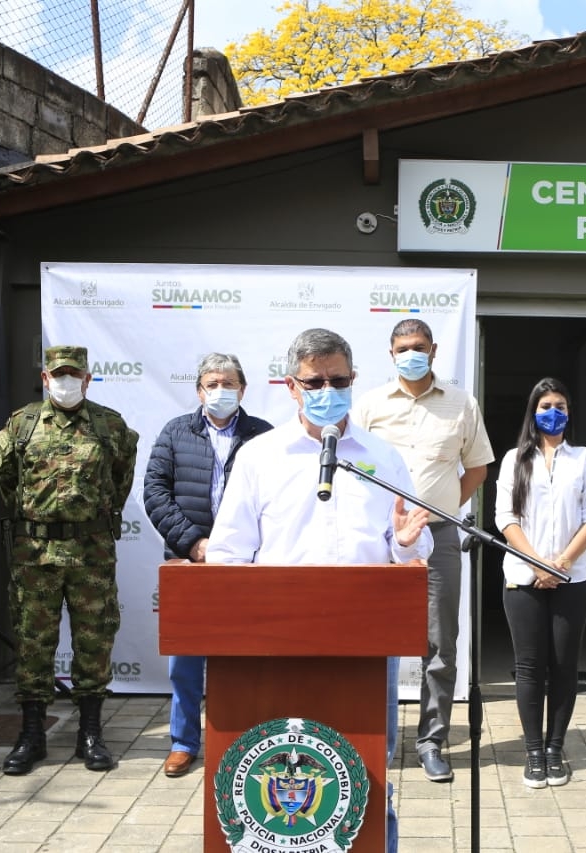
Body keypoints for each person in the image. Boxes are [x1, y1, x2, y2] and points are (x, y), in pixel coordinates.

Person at [207, 328, 432, 853]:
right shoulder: (261, 456)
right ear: (291, 386)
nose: (327, 389)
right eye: (315, 381)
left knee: (369, 774)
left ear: (354, 381)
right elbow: (227, 556)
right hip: (275, 651)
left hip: (365, 649)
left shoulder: (383, 457)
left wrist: (401, 545)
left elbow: (407, 555)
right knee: (281, 768)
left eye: (339, 379)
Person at [353, 318, 494, 783]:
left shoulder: (461, 403)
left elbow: (476, 467)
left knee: (440, 644)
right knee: (371, 639)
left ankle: (432, 740)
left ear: (433, 350)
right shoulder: (371, 403)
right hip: (380, 540)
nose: (410, 354)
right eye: (402, 348)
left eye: (418, 347)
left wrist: (445, 502)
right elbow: (354, 467)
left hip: (440, 537)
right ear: (391, 353)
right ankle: (370, 734)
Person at [0, 345, 138, 776]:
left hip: (91, 551)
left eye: (74, 375)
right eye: (59, 375)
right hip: (34, 554)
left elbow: (119, 482)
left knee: (94, 643)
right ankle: (31, 735)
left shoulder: (109, 426)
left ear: (88, 379)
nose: (66, 382)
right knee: (34, 643)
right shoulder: (22, 425)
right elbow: (7, 483)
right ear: (45, 378)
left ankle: (89, 733)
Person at [143, 352, 273, 778]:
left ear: (243, 388)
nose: (221, 390)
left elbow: (278, 500)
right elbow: (155, 492)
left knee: (245, 661)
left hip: (246, 567)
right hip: (189, 563)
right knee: (186, 662)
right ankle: (184, 742)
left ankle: (243, 741)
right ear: (199, 390)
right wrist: (195, 544)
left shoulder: (264, 436)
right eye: (213, 383)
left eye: (229, 383)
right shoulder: (175, 432)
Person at [494, 378, 586, 788]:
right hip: (523, 578)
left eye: (560, 404)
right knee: (529, 668)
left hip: (574, 577)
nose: (552, 411)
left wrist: (562, 564)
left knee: (563, 666)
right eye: (545, 405)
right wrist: (538, 563)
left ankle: (556, 748)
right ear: (533, 412)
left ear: (569, 412)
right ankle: (533, 752)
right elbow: (505, 517)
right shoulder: (514, 460)